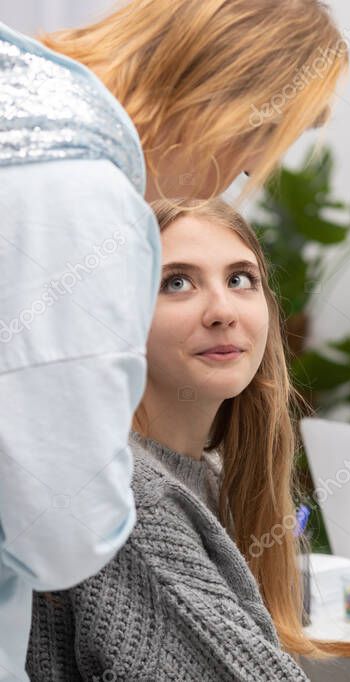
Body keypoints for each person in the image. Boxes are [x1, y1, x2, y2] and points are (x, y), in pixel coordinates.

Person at [0, 2, 344, 679]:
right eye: (174, 282)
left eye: (242, 279)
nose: (236, 181)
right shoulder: (78, 187)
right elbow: (62, 530)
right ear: (229, 108)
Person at [29, 199, 318, 680]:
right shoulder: (127, 495)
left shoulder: (205, 475)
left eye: (240, 279)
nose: (222, 311)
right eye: (176, 283)